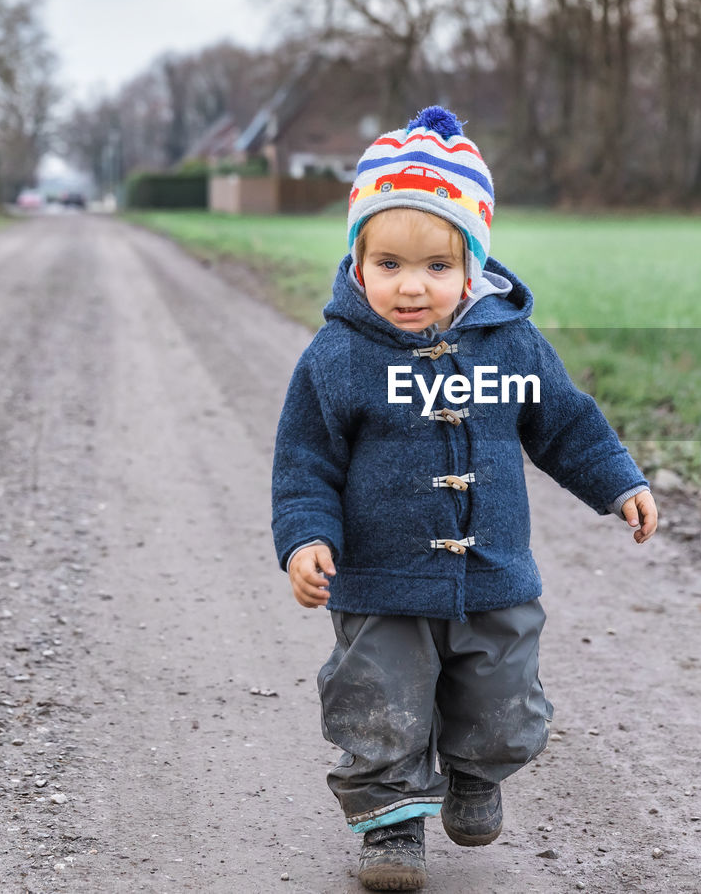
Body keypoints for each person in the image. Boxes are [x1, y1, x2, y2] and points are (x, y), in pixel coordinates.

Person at [271, 105, 658, 891]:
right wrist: (306, 538)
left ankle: (477, 773)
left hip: (494, 573)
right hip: (380, 578)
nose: (411, 287)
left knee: (501, 694)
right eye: (387, 265)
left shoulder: (508, 342)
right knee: (380, 701)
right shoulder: (339, 355)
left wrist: (618, 481)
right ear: (358, 259)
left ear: (473, 265)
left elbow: (564, 424)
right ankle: (392, 831)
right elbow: (304, 462)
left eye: (436, 269)